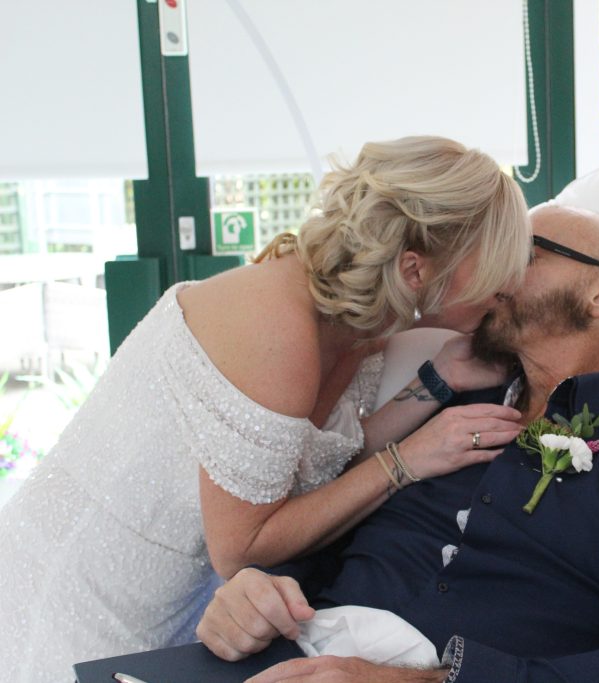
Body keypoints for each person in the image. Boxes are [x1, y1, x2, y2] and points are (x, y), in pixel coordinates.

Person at [0, 136, 532, 682]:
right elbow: (242, 548)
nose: (510, 284)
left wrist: (437, 381)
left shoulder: (360, 323)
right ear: (416, 272)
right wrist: (405, 462)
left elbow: (312, 465)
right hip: (78, 598)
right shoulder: (275, 329)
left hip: (173, 610)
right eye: (496, 265)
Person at [196, 205, 599, 682]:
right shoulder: (445, 415)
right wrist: (255, 595)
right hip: (286, 658)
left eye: (527, 252)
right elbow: (319, 546)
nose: (499, 270)